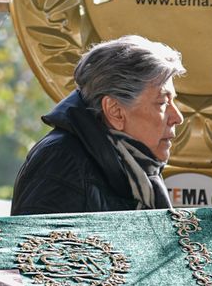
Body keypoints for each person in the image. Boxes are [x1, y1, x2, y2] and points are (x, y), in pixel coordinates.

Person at [11, 35, 184, 215]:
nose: (178, 117)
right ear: (115, 111)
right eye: (162, 103)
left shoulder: (136, 165)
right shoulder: (59, 162)